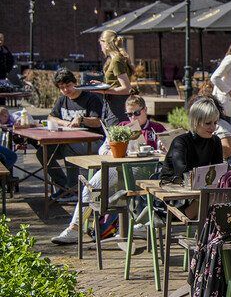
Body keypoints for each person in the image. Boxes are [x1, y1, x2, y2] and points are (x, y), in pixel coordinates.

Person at [51, 95, 166, 245]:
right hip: (119, 170)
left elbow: (167, 152)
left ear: (145, 110)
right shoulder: (122, 126)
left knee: (133, 192)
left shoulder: (156, 129)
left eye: (136, 113)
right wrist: (112, 152)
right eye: (129, 114)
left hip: (145, 173)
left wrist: (162, 149)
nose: (133, 118)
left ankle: (140, 225)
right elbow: (102, 149)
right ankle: (74, 228)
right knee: (90, 188)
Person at [43, 68, 104, 201]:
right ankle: (64, 187)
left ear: (75, 83)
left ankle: (72, 189)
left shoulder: (90, 98)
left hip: (93, 143)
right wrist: (65, 123)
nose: (66, 90)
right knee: (43, 152)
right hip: (69, 140)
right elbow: (51, 117)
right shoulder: (62, 100)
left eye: (68, 86)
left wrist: (81, 119)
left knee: (66, 148)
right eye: (62, 87)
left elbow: (98, 122)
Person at [160, 97, 223, 184]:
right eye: (208, 123)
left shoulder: (215, 141)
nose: (213, 127)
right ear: (195, 122)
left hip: (197, 185)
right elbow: (182, 172)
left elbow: (218, 170)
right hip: (171, 185)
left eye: (215, 123)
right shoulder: (180, 142)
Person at [89, 30, 135, 126]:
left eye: (101, 44)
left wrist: (104, 91)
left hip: (118, 107)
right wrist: (102, 85)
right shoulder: (117, 58)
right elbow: (116, 83)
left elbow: (127, 88)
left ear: (106, 44)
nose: (101, 48)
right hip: (115, 105)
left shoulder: (116, 60)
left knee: (115, 139)